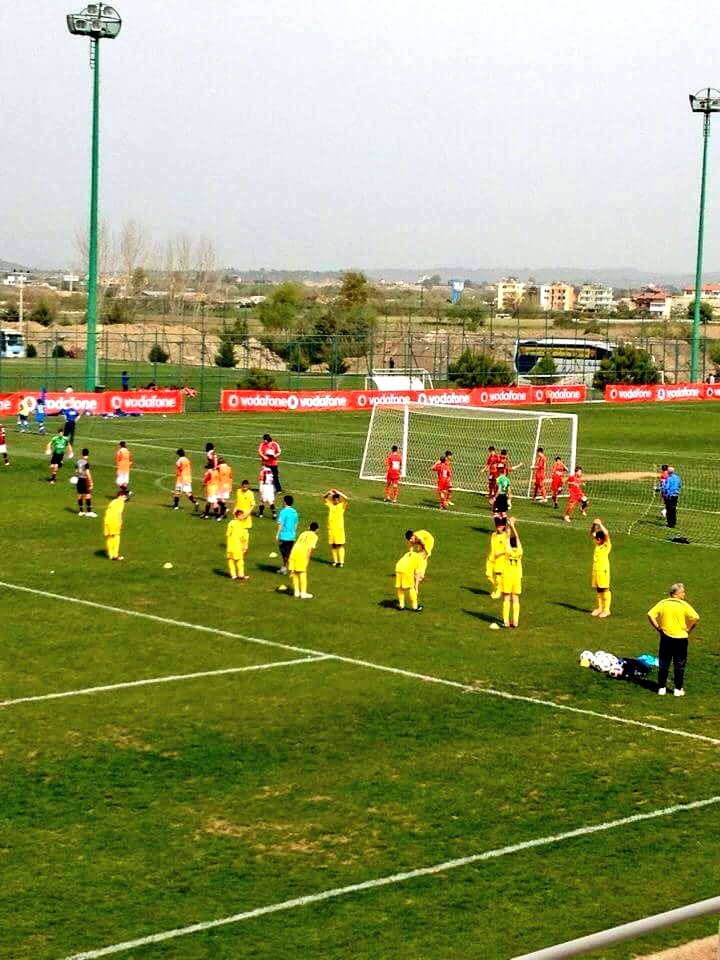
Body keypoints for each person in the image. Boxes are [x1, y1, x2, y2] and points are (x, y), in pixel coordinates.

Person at [647, 583, 700, 697]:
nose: (684, 594)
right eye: (683, 592)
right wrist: (689, 629)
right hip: (681, 639)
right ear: (677, 594)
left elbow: (650, 614)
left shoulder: (663, 603)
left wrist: (658, 628)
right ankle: (678, 689)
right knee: (679, 664)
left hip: (666, 638)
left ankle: (661, 688)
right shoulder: (684, 605)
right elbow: (696, 617)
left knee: (664, 663)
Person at [500, 517, 523, 628]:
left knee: (506, 598)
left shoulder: (507, 550)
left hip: (507, 576)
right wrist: (513, 526)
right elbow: (517, 538)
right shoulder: (519, 551)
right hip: (517, 577)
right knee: (516, 599)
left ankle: (505, 621)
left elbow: (508, 537)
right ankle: (516, 622)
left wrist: (508, 525)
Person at [287, 521, 319, 599]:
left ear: (309, 527)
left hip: (294, 551)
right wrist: (307, 560)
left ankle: (296, 592)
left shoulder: (303, 533)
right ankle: (303, 593)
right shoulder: (314, 536)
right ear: (317, 530)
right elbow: (309, 549)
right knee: (302, 572)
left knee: (294, 572)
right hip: (302, 553)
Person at [394, 535, 423, 612]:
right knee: (411, 588)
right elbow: (417, 575)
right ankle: (415, 607)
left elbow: (410, 548)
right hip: (406, 570)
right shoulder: (420, 560)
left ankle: (401, 606)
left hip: (398, 568)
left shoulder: (410, 553)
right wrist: (416, 587)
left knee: (400, 588)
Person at [590, 518, 611, 618]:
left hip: (603, 570)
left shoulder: (606, 545)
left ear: (602, 540)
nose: (596, 540)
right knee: (598, 589)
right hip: (596, 569)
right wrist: (594, 525)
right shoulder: (597, 544)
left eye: (598, 539)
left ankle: (607, 610)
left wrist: (600, 524)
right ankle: (600, 608)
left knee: (605, 589)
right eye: (596, 539)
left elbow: (606, 533)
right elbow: (592, 532)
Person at [323, 488, 348, 567]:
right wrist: (329, 492)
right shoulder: (330, 504)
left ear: (339, 500)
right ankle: (335, 561)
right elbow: (324, 498)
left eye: (337, 500)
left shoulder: (341, 505)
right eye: (335, 500)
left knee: (339, 545)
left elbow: (346, 498)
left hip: (339, 529)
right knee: (333, 545)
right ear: (333, 500)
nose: (336, 501)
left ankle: (341, 562)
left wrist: (338, 492)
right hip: (331, 529)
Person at [485, 516, 508, 600]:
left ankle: (498, 590)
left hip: (500, 559)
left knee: (498, 574)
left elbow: (508, 549)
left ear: (504, 527)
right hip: (491, 558)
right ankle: (498, 587)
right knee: (488, 574)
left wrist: (500, 553)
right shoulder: (493, 534)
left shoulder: (505, 536)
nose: (499, 528)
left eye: (501, 526)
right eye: (498, 526)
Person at [276, 494, 299, 575]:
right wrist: (294, 533)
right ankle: (284, 568)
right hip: (291, 536)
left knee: (286, 554)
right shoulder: (294, 512)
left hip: (284, 536)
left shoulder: (283, 511)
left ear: (285, 502)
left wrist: (277, 534)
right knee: (287, 554)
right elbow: (296, 524)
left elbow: (281, 524)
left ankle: (292, 570)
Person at [226, 508, 250, 582]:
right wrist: (245, 546)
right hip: (237, 545)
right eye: (242, 516)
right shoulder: (240, 524)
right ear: (238, 516)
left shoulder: (230, 523)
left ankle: (233, 575)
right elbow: (242, 537)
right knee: (240, 561)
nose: (243, 517)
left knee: (231, 560)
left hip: (230, 544)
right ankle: (241, 575)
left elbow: (227, 534)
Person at [104, 491, 128, 561]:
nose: (126, 498)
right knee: (116, 536)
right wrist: (120, 521)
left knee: (109, 537)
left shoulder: (113, 501)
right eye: (125, 496)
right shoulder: (120, 502)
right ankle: (115, 555)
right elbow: (119, 512)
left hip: (107, 520)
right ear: (120, 496)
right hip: (114, 520)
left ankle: (111, 555)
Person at [411, 528, 435, 600]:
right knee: (420, 557)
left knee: (422, 557)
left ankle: (420, 575)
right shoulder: (411, 539)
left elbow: (424, 544)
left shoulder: (418, 537)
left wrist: (427, 551)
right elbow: (410, 548)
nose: (411, 541)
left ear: (413, 536)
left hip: (428, 541)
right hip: (422, 542)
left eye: (411, 540)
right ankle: (421, 574)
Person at [75, 448, 96, 517]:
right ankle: (89, 512)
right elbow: (87, 473)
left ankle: (81, 511)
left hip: (79, 480)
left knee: (79, 495)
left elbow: (76, 471)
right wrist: (91, 482)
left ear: (82, 454)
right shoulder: (86, 462)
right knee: (88, 495)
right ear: (88, 454)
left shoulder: (78, 461)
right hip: (85, 480)